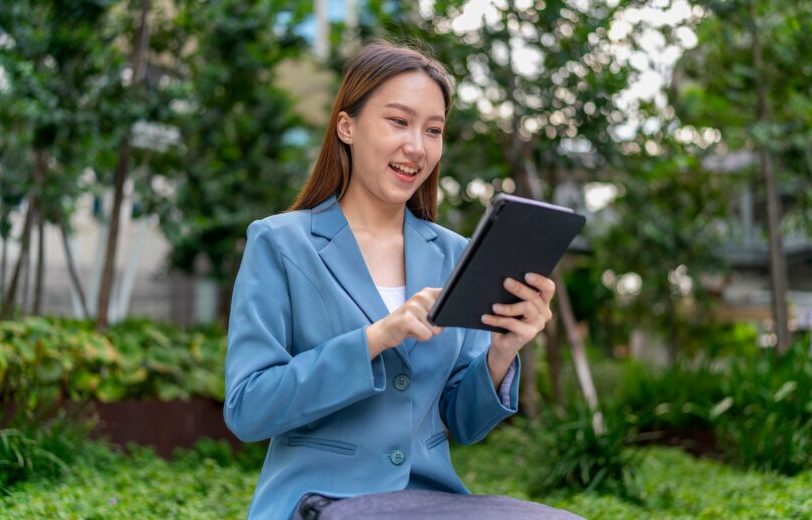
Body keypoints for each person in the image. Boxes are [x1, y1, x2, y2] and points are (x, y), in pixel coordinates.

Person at [224, 40, 572, 520]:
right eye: (398, 121)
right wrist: (374, 338)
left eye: (434, 130)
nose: (417, 146)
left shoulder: (452, 253)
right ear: (347, 126)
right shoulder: (281, 243)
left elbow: (462, 422)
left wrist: (502, 352)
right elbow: (248, 410)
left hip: (430, 499)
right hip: (322, 498)